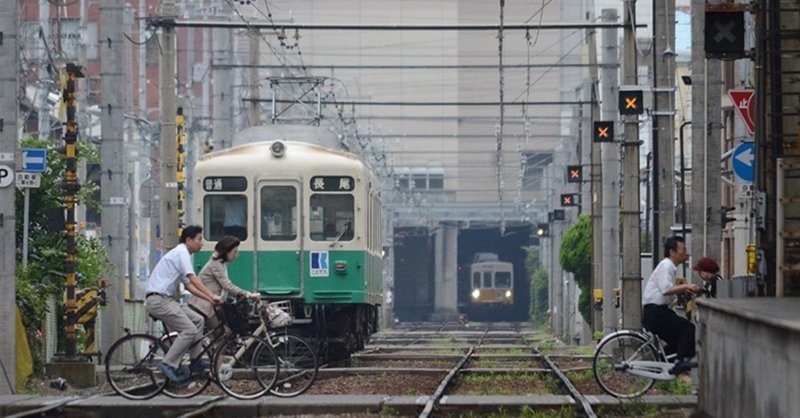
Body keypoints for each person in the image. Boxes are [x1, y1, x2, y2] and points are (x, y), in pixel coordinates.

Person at [144, 225, 222, 383]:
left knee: (198, 320)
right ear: (188, 240)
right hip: (159, 300)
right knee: (189, 330)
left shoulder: (180, 254)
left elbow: (189, 286)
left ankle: (195, 361)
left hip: (165, 300)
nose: (202, 243)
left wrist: (210, 299)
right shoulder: (182, 253)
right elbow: (193, 278)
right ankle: (168, 364)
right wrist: (211, 294)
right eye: (199, 239)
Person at [642, 235, 700, 375]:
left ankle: (661, 365)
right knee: (688, 329)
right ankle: (677, 362)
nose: (686, 253)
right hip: (655, 313)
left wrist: (684, 290)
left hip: (658, 312)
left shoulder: (670, 267)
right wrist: (687, 286)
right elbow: (666, 289)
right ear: (672, 252)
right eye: (683, 249)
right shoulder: (666, 265)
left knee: (681, 340)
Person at [188, 236, 259, 334]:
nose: (236, 255)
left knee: (223, 333)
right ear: (226, 252)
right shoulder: (216, 264)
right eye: (234, 252)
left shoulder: (221, 263)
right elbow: (227, 285)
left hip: (210, 305)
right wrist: (247, 294)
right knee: (222, 334)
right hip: (203, 306)